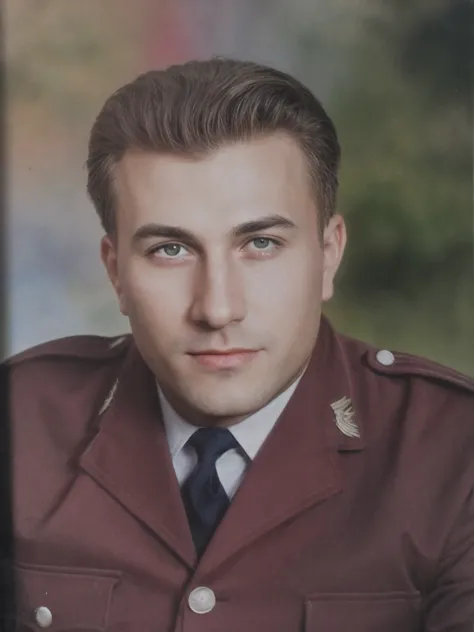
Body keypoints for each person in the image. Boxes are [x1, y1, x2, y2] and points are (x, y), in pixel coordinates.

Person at [5, 58, 474, 631]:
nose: (217, 308)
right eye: (170, 250)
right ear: (115, 272)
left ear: (329, 254)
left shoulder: (454, 454)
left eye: (261, 243)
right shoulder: (19, 421)